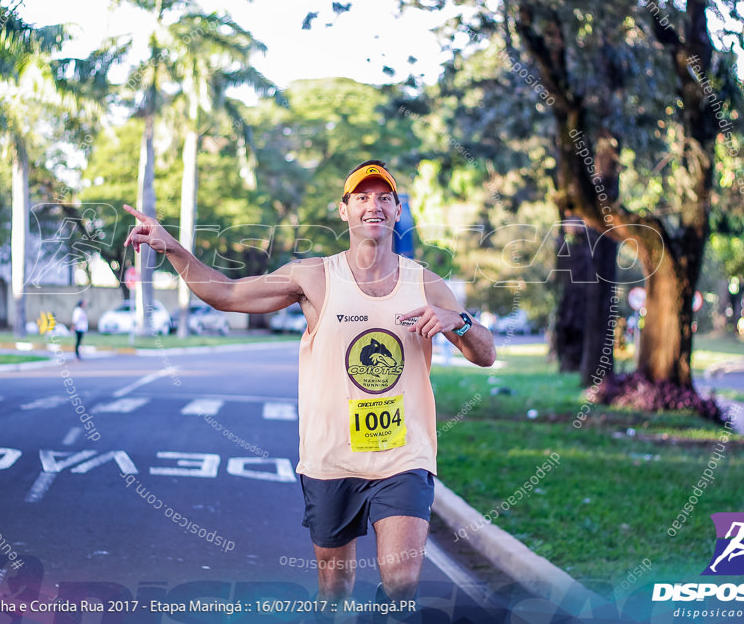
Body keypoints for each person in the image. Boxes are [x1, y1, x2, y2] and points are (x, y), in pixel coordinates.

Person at [123, 160, 496, 605]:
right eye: (362, 197)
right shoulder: (313, 276)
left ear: (397, 211)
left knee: (400, 585)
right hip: (330, 458)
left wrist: (461, 322)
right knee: (334, 591)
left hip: (403, 456)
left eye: (383, 198)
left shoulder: (426, 283)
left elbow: (485, 355)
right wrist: (173, 250)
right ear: (344, 211)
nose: (372, 206)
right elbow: (226, 294)